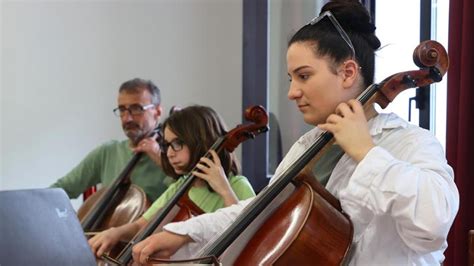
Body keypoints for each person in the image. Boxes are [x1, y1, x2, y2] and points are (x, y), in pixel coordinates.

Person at [130, 1, 460, 265]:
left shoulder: (409, 141)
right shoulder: (310, 144)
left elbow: (434, 225)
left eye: (303, 76)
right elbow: (262, 208)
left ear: (347, 72)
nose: (292, 92)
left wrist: (366, 152)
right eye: (291, 78)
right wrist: (184, 233)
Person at [88, 105, 256, 258]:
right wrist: (114, 233)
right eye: (167, 145)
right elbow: (142, 226)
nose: (169, 153)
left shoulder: (238, 185)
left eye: (177, 143)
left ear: (201, 141)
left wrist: (224, 190)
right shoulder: (180, 186)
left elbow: (244, 239)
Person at [51, 78, 171, 201]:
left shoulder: (172, 154)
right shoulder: (108, 152)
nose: (127, 118)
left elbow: (188, 195)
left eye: (136, 109)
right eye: (122, 109)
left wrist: (160, 159)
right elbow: (62, 189)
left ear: (157, 112)